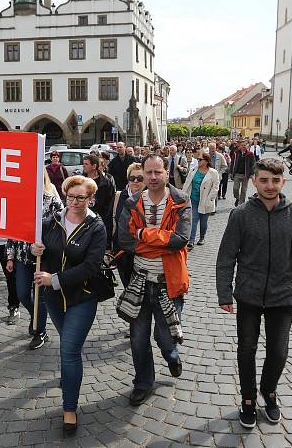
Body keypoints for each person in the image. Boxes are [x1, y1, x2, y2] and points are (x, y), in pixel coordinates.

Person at [216, 158, 292, 429]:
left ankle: (269, 392)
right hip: (248, 295)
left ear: (283, 180)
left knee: (278, 352)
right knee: (246, 350)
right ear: (254, 181)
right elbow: (226, 256)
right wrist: (224, 293)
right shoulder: (240, 215)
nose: (269, 186)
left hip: (283, 297)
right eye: (264, 180)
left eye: (275, 180)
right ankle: (247, 399)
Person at [31, 175, 107, 435]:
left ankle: (70, 408)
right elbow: (40, 247)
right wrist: (35, 250)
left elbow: (91, 266)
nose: (74, 202)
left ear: (91, 198)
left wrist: (55, 279)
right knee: (67, 343)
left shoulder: (96, 226)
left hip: (81, 298)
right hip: (53, 299)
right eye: (71, 196)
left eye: (81, 197)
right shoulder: (51, 221)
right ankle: (69, 379)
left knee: (70, 350)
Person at [117, 155, 191, 407]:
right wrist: (160, 242)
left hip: (168, 282)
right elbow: (125, 242)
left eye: (157, 172)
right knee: (138, 339)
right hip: (139, 280)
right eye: (147, 173)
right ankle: (143, 382)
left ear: (166, 172)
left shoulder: (181, 201)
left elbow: (180, 240)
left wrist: (142, 235)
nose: (152, 177)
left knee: (165, 337)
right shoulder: (132, 203)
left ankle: (171, 355)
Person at [6, 170, 62, 350]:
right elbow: (12, 227)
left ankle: (40, 330)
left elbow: (60, 222)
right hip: (23, 255)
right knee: (22, 293)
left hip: (42, 257)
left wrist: (48, 244)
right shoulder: (18, 196)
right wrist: (10, 256)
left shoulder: (51, 194)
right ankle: (35, 315)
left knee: (41, 297)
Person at [112, 162, 146, 288]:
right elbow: (112, 221)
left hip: (142, 250)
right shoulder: (119, 196)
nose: (136, 181)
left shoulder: (149, 197)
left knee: (140, 288)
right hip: (122, 251)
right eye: (132, 178)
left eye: (140, 178)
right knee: (127, 284)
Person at [182, 151, 220, 250]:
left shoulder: (213, 173)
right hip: (193, 199)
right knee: (193, 220)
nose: (198, 161)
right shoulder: (194, 170)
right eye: (198, 159)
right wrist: (183, 195)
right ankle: (191, 240)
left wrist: (210, 198)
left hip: (205, 201)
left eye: (200, 159)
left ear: (206, 161)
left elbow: (215, 187)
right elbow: (187, 183)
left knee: (203, 222)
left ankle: (202, 237)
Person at [82, 154, 116, 244]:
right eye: (83, 163)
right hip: (82, 220)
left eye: (86, 164)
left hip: (100, 220)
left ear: (94, 166)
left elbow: (109, 206)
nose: (83, 166)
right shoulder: (80, 181)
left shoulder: (106, 183)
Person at [231, 141, 256, 207]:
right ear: (240, 146)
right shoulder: (236, 153)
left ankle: (241, 204)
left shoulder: (250, 154)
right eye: (242, 145)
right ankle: (237, 198)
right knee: (235, 189)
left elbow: (253, 164)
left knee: (244, 190)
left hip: (245, 175)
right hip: (237, 174)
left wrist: (251, 173)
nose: (243, 146)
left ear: (247, 146)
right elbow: (232, 163)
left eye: (245, 145)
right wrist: (231, 172)